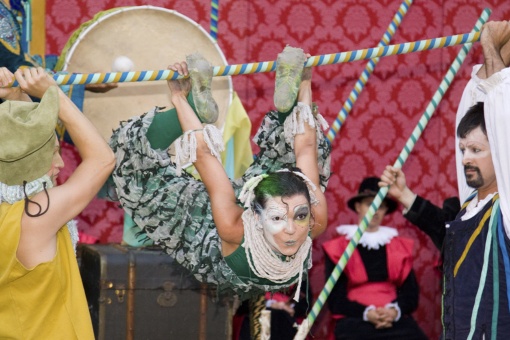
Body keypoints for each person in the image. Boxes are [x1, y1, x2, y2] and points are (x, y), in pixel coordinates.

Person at [108, 46, 331, 300]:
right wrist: (305, 83)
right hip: (227, 227)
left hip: (211, 233)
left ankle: (197, 104)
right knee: (312, 153)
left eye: (300, 216)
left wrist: (180, 97)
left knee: (132, 169)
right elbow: (306, 146)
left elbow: (204, 155)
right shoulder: (246, 226)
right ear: (255, 216)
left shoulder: (240, 227)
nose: (292, 229)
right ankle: (287, 108)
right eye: (279, 218)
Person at [381, 21, 510, 339]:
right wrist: (405, 195)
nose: (465, 157)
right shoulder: (468, 207)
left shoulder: (506, 208)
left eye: (476, 150)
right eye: (463, 149)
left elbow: (501, 108)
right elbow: (478, 104)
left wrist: (492, 46)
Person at [0, 66, 115, 338]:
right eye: (54, 153)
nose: (61, 164)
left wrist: (16, 94)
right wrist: (53, 95)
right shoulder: (36, 218)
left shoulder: (16, 212)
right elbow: (103, 159)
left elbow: (24, 150)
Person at [323, 177, 427, 340]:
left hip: (393, 319)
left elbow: (410, 295)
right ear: (358, 207)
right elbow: (335, 300)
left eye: (381, 206)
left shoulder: (399, 247)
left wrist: (393, 312)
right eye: (370, 204)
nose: (375, 210)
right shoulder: (338, 249)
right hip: (355, 319)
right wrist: (366, 313)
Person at [379, 165, 460, 250]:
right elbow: (446, 233)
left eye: (475, 151)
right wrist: (403, 194)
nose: (465, 160)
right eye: (463, 151)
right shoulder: (460, 208)